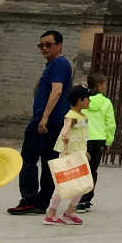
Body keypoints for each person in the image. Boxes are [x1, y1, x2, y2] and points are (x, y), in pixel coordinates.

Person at [9, 29, 73, 215]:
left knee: (28, 158)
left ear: (59, 45)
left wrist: (44, 117)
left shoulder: (59, 64)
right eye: (41, 45)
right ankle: (42, 201)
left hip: (47, 121)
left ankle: (29, 198)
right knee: (48, 161)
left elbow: (57, 90)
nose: (44, 48)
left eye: (49, 45)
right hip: (54, 121)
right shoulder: (54, 64)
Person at [42, 86, 94, 225]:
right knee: (62, 185)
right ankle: (51, 213)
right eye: (87, 99)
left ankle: (70, 211)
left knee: (83, 185)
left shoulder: (83, 116)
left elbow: (82, 137)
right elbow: (66, 128)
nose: (89, 101)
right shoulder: (71, 115)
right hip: (70, 155)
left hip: (80, 154)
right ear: (79, 101)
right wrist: (65, 136)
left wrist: (85, 151)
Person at [77, 74, 117, 213]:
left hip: (84, 139)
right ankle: (88, 198)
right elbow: (110, 124)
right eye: (105, 84)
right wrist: (108, 141)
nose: (106, 87)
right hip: (99, 139)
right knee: (93, 169)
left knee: (82, 169)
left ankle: (80, 199)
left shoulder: (83, 101)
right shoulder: (106, 103)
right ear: (99, 85)